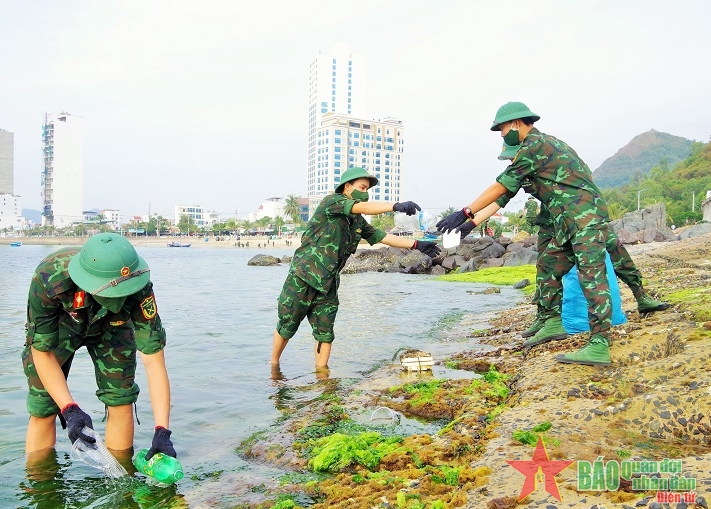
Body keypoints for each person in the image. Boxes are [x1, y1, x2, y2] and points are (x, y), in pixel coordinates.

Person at [438, 102, 668, 367]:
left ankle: (599, 344)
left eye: (501, 128)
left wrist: (465, 212)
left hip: (585, 218)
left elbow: (500, 185)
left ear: (515, 124)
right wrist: (468, 223)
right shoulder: (535, 152)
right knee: (549, 266)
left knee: (593, 276)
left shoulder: (535, 146)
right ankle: (552, 321)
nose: (501, 134)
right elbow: (503, 196)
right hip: (568, 221)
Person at [271, 167, 442, 373]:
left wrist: (417, 245)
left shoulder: (357, 221)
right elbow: (366, 207)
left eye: (367, 188)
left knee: (325, 333)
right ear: (347, 187)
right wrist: (395, 206)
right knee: (288, 325)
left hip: (329, 283)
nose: (365, 192)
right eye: (362, 187)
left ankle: (323, 378)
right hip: (304, 276)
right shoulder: (331, 202)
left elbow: (381, 236)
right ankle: (274, 369)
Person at [23, 232, 176, 461]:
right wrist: (70, 409)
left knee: (121, 400)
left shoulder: (139, 288)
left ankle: (121, 479)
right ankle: (40, 483)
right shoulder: (50, 277)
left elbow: (154, 361)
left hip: (114, 326)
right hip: (62, 325)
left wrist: (162, 430)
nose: (116, 297)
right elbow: (42, 352)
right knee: (43, 408)